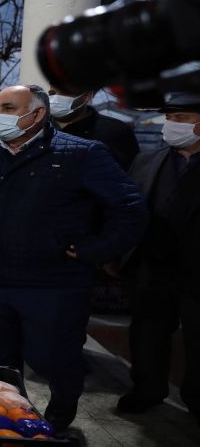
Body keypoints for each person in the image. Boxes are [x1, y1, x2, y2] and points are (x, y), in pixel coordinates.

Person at [0, 84, 147, 431]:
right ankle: (3, 422)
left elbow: (130, 208)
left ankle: (59, 420)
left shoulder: (82, 153)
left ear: (38, 114)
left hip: (53, 284)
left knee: (54, 360)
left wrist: (97, 249)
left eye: (9, 108)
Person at [117, 93, 200, 420]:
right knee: (148, 333)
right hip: (153, 265)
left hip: (196, 270)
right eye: (171, 117)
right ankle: (147, 388)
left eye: (182, 118)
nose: (172, 125)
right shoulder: (146, 160)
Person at [49, 87, 140, 170]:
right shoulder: (40, 128)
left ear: (86, 96)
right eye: (52, 93)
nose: (56, 99)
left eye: (65, 92)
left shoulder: (115, 132)